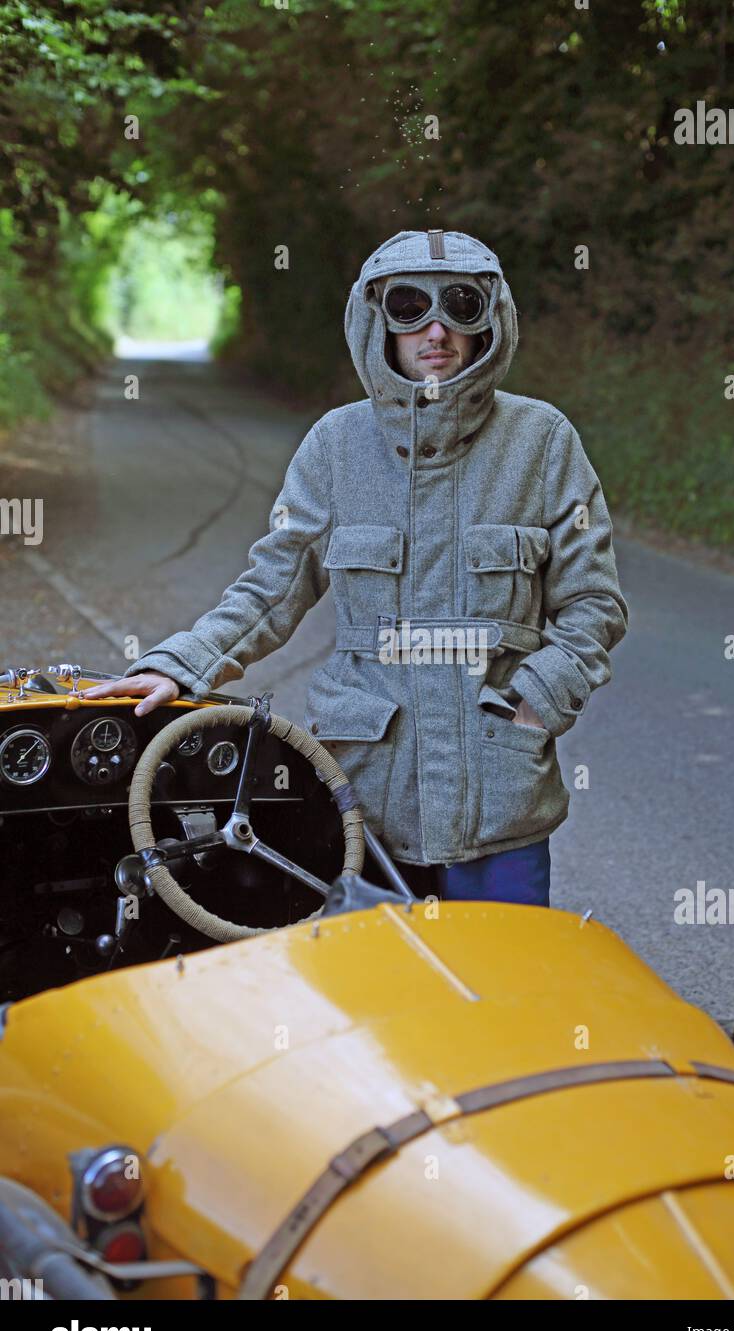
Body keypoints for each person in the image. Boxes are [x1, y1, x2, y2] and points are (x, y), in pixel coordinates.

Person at [85, 229, 628, 907]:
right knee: (375, 1002)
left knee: (502, 993)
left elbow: (594, 606)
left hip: (500, 801)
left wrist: (534, 707)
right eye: (409, 307)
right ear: (377, 321)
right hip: (360, 798)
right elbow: (273, 585)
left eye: (460, 305)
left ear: (490, 318)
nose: (436, 329)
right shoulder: (335, 445)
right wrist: (179, 664)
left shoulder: (542, 441)